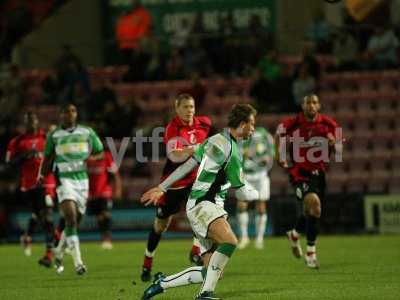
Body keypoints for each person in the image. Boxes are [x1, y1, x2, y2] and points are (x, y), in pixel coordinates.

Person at [141, 104, 259, 300]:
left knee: (211, 271)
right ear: (242, 124)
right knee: (230, 241)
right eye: (252, 124)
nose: (254, 129)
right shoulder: (231, 150)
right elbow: (242, 194)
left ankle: (161, 284)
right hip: (204, 205)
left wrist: (162, 187)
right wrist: (259, 194)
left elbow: (188, 165)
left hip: (201, 205)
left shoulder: (214, 140)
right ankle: (205, 294)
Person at [141, 93, 212, 282]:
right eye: (185, 107)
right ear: (177, 108)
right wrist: (195, 148)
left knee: (202, 213)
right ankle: (147, 261)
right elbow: (174, 156)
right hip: (173, 183)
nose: (189, 111)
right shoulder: (172, 129)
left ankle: (196, 251)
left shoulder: (205, 124)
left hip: (194, 180)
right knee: (160, 226)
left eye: (192, 107)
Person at [275, 94, 342, 269]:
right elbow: (278, 133)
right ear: (302, 105)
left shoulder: (330, 124)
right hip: (299, 173)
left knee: (311, 213)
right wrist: (279, 155)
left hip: (318, 173)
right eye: (308, 103)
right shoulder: (293, 122)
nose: (311, 106)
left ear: (319, 105)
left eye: (314, 103)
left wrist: (334, 144)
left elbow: (338, 150)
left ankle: (295, 234)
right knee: (315, 205)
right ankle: (311, 254)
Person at [40, 104, 104, 275]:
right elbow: (47, 158)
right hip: (64, 180)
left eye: (73, 111)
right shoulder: (54, 135)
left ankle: (58, 252)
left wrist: (90, 159)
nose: (70, 114)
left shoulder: (87, 132)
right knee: (71, 218)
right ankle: (78, 263)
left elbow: (100, 152)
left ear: (76, 114)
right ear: (60, 115)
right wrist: (42, 175)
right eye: (66, 112)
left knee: (74, 223)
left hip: (82, 182)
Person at [5, 112, 56, 267]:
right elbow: (8, 163)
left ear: (37, 122)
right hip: (29, 183)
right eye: (28, 121)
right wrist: (24, 157)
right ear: (24, 123)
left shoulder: (46, 138)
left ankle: (49, 253)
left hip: (47, 181)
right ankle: (28, 237)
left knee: (47, 215)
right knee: (38, 216)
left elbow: (56, 155)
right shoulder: (17, 141)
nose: (31, 123)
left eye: (33, 120)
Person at [237, 127, 275, 250]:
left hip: (261, 175)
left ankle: (259, 239)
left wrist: (268, 158)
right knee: (242, 204)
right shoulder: (239, 134)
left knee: (261, 206)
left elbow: (272, 151)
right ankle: (244, 237)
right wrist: (242, 153)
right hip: (246, 175)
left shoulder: (264, 133)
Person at [86, 139, 122, 250]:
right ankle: (104, 237)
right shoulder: (85, 159)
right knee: (99, 217)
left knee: (105, 214)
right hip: (92, 193)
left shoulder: (107, 156)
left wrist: (118, 189)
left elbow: (115, 174)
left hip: (105, 191)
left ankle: (107, 238)